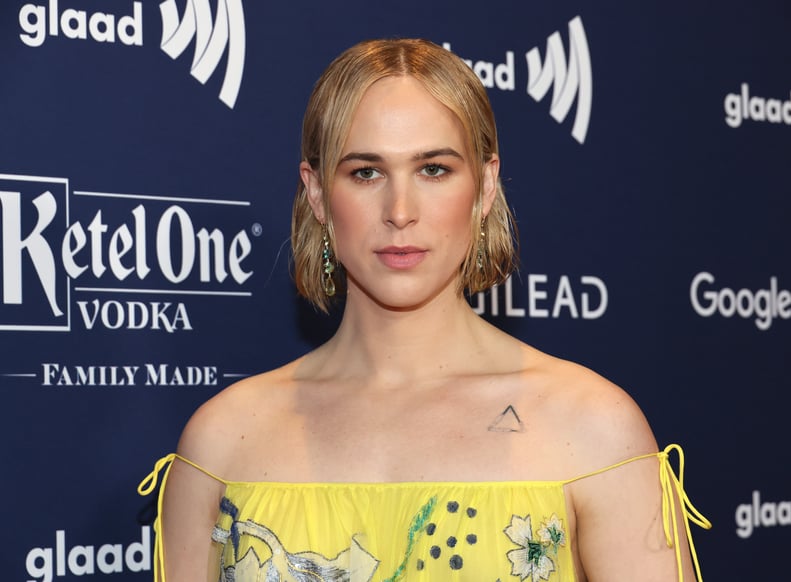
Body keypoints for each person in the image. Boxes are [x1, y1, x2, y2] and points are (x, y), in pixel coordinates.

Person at [139, 38, 710, 582]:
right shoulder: (223, 440)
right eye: (366, 172)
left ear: (485, 187)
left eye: (434, 169)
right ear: (317, 194)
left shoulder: (594, 429)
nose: (400, 210)